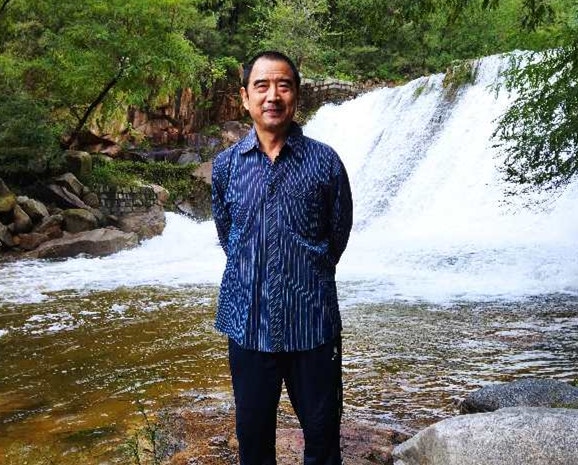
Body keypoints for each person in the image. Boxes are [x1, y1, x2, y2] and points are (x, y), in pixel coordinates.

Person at [211, 50, 353, 465]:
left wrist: (304, 272)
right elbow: (228, 236)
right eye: (262, 86)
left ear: (296, 95)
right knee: (253, 444)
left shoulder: (325, 162)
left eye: (283, 86)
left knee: (323, 443)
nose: (272, 96)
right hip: (248, 325)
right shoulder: (226, 166)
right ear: (245, 97)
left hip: (312, 325)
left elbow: (337, 234)